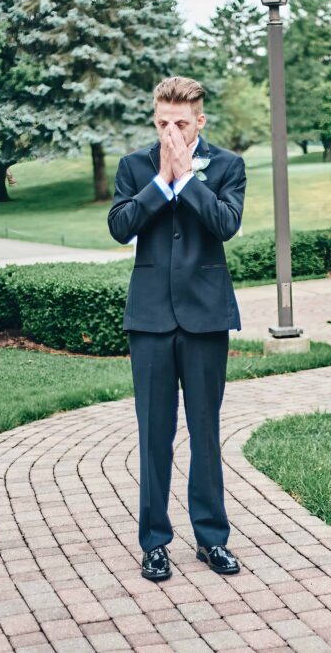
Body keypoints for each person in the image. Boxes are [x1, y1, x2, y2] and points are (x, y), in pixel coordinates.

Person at [108, 76, 245, 582]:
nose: (171, 132)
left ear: (199, 121)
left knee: (205, 433)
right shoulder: (133, 166)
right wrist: (161, 180)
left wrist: (186, 179)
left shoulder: (227, 166)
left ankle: (212, 539)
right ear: (154, 118)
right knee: (154, 436)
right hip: (149, 321)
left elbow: (225, 224)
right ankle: (154, 543)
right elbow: (120, 226)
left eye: (181, 124)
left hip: (205, 318)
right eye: (163, 122)